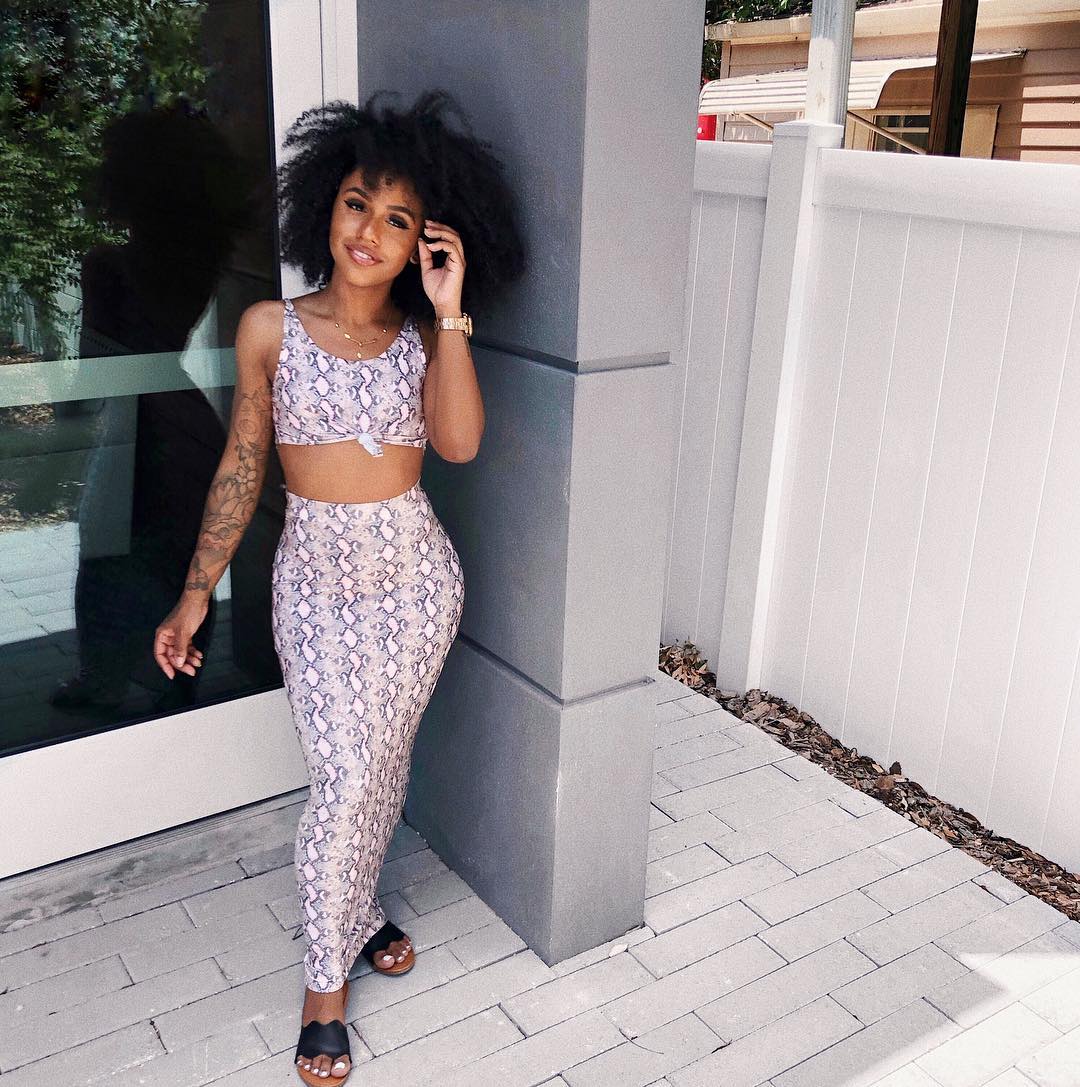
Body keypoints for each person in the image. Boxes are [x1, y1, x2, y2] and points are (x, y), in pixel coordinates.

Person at [153, 89, 525, 1085]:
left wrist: (450, 311)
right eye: (358, 203)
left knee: (381, 765)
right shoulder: (269, 328)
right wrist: (196, 591)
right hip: (316, 583)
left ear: (422, 244)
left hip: (415, 583)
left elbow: (458, 443)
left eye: (399, 220)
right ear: (327, 203)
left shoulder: (424, 338)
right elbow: (241, 465)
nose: (369, 231)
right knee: (346, 777)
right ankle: (326, 988)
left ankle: (357, 915)